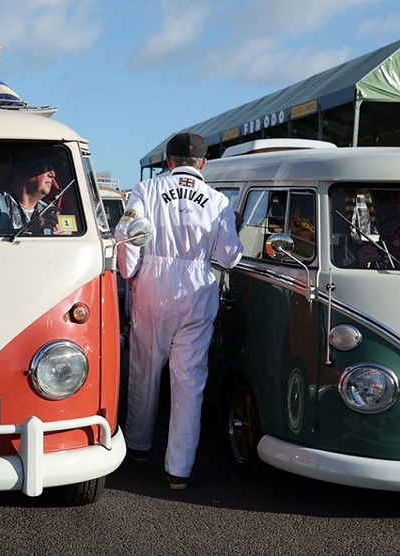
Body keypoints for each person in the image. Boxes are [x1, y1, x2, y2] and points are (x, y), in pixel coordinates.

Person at [115, 133, 242, 491]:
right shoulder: (218, 202)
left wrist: (130, 271)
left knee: (144, 369)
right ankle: (179, 470)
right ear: (203, 164)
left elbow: (128, 236)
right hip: (198, 288)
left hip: (153, 285)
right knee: (189, 383)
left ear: (168, 161)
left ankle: (139, 446)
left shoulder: (145, 190)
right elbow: (229, 257)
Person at [0, 159, 59, 234]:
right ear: (22, 172)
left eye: (53, 170)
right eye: (46, 168)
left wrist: (63, 238)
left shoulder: (47, 211)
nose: (52, 175)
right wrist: (29, 229)